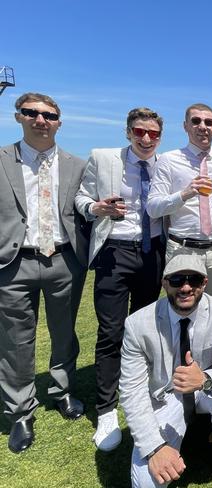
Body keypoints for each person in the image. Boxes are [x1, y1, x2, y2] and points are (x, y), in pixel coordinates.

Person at [0, 93, 89, 453]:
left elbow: (83, 209)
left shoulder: (77, 165)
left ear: (59, 122)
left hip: (64, 260)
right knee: (15, 340)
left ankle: (62, 391)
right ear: (18, 116)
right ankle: (20, 412)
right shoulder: (2, 160)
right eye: (32, 113)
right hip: (13, 262)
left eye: (49, 115)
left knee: (64, 333)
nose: (41, 120)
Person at [75, 107, 166, 451]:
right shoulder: (102, 158)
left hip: (152, 253)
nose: (146, 138)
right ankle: (106, 410)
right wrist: (97, 208)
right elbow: (81, 198)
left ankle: (141, 391)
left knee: (144, 328)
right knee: (111, 331)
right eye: (140, 131)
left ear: (160, 137)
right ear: (127, 132)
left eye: (153, 134)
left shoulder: (165, 163)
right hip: (115, 250)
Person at [120, 253, 212, 486]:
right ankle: (174, 440)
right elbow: (131, 391)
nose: (186, 287)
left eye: (194, 280)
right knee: (147, 484)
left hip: (204, 388)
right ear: (164, 283)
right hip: (165, 399)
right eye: (177, 280)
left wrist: (206, 378)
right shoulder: (137, 324)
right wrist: (155, 447)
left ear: (205, 283)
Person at [147, 103, 212, 298]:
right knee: (182, 309)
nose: (202, 126)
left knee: (211, 307)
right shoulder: (169, 160)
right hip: (183, 249)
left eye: (208, 122)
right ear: (185, 126)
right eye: (196, 121)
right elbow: (153, 208)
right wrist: (185, 193)